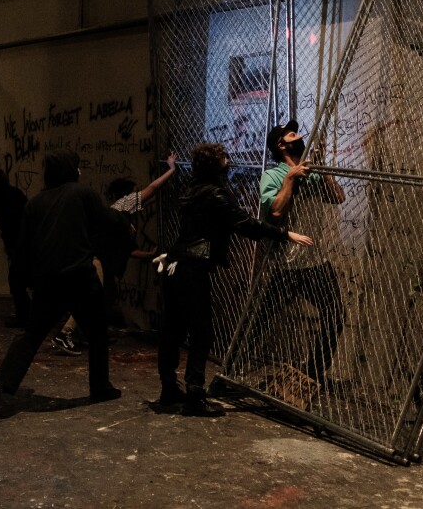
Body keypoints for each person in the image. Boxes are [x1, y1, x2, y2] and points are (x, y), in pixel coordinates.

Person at [157, 143, 313, 417]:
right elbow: (245, 224)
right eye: (223, 159)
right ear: (216, 166)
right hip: (192, 268)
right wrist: (286, 234)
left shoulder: (193, 190)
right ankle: (194, 396)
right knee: (202, 332)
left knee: (173, 329)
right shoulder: (216, 194)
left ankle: (169, 388)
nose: (228, 162)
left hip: (175, 264)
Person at [0, 149, 126, 418]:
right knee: (97, 334)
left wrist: (28, 282)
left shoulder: (35, 203)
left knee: (30, 337)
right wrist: (129, 210)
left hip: (48, 280)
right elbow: (110, 219)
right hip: (81, 277)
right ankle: (100, 386)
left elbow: (23, 249)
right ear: (71, 170)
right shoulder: (82, 194)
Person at [51, 153, 178, 356]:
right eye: (136, 193)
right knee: (89, 297)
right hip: (98, 261)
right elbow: (153, 189)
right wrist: (171, 170)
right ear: (127, 195)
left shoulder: (122, 213)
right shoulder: (124, 204)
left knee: (106, 298)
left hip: (105, 261)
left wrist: (147, 255)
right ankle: (65, 333)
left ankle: (91, 333)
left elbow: (127, 247)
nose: (140, 196)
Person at [257, 119, 346, 390]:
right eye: (293, 134)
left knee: (335, 314)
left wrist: (324, 170)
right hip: (286, 264)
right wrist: (289, 179)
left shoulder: (313, 173)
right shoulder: (272, 175)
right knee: (261, 320)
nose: (299, 136)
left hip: (314, 261)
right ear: (281, 144)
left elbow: (338, 197)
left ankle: (313, 372)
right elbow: (276, 212)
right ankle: (232, 367)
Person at [0, 166, 30, 329]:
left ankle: (25, 316)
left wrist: (13, 248)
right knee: (20, 280)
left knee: (17, 280)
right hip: (23, 244)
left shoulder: (3, 200)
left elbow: (11, 226)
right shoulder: (12, 194)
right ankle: (26, 315)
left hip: (21, 244)